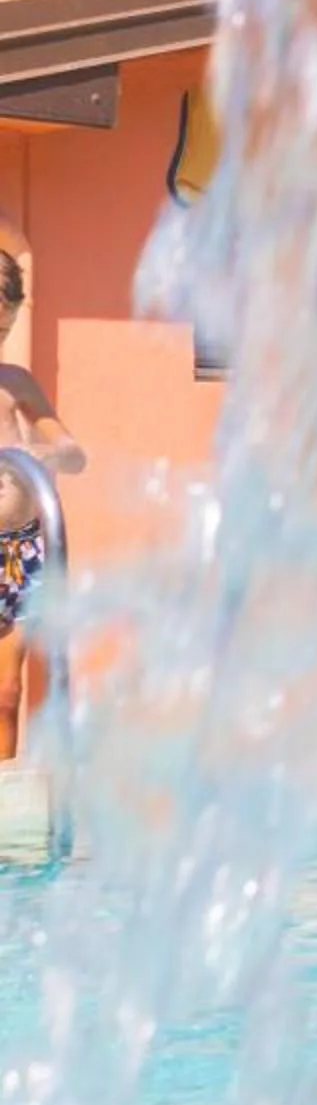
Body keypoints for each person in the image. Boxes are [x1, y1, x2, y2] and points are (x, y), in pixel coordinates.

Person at [0, 222, 84, 762]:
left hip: (23, 548)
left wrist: (53, 455)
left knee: (7, 692)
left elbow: (71, 448)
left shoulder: (17, 382)